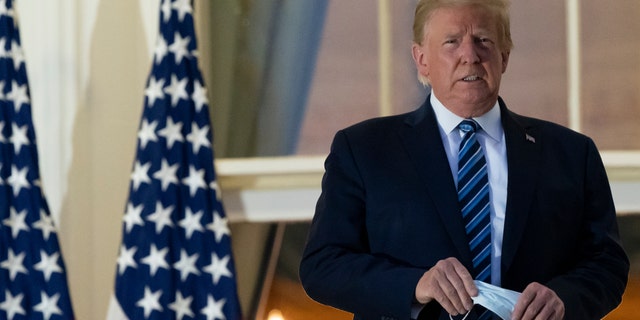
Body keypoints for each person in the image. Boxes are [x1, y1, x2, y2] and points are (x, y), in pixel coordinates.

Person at [298, 0, 630, 319]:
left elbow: (607, 263)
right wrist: (415, 284)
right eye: (452, 42)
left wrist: (564, 299)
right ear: (421, 59)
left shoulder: (571, 154)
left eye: (483, 40)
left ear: (504, 56)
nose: (469, 55)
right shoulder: (364, 150)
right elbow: (323, 265)